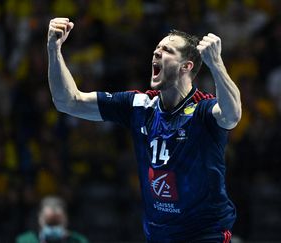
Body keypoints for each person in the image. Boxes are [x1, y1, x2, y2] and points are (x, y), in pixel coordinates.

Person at [47, 17, 241, 242]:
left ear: (186, 66)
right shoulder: (139, 106)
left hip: (206, 235)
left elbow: (232, 115)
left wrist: (216, 63)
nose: (156, 53)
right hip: (158, 236)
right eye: (157, 48)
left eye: (167, 50)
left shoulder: (203, 110)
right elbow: (68, 102)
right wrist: (54, 48)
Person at [16, 196, 88, 243]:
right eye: (49, 222)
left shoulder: (79, 241)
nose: (53, 227)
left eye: (56, 222)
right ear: (40, 219)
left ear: (66, 219)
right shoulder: (24, 240)